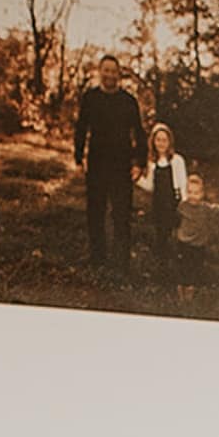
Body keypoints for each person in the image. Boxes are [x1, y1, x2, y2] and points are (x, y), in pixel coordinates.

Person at [73, 55, 146, 278]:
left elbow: (139, 133)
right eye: (106, 70)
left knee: (122, 215)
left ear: (119, 74)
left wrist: (140, 163)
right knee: (95, 212)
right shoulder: (90, 98)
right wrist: (78, 157)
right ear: (99, 71)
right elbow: (81, 128)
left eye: (113, 71)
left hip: (121, 165)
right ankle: (98, 259)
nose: (109, 75)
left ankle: (122, 263)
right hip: (96, 163)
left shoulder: (128, 101)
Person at [136, 122, 188, 284]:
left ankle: (179, 263)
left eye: (164, 140)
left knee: (175, 232)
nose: (161, 143)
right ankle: (162, 265)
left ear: (170, 142)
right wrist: (137, 179)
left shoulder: (177, 160)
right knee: (161, 233)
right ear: (153, 142)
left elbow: (182, 183)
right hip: (158, 203)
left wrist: (184, 204)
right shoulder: (153, 163)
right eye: (158, 140)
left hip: (173, 201)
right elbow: (151, 186)